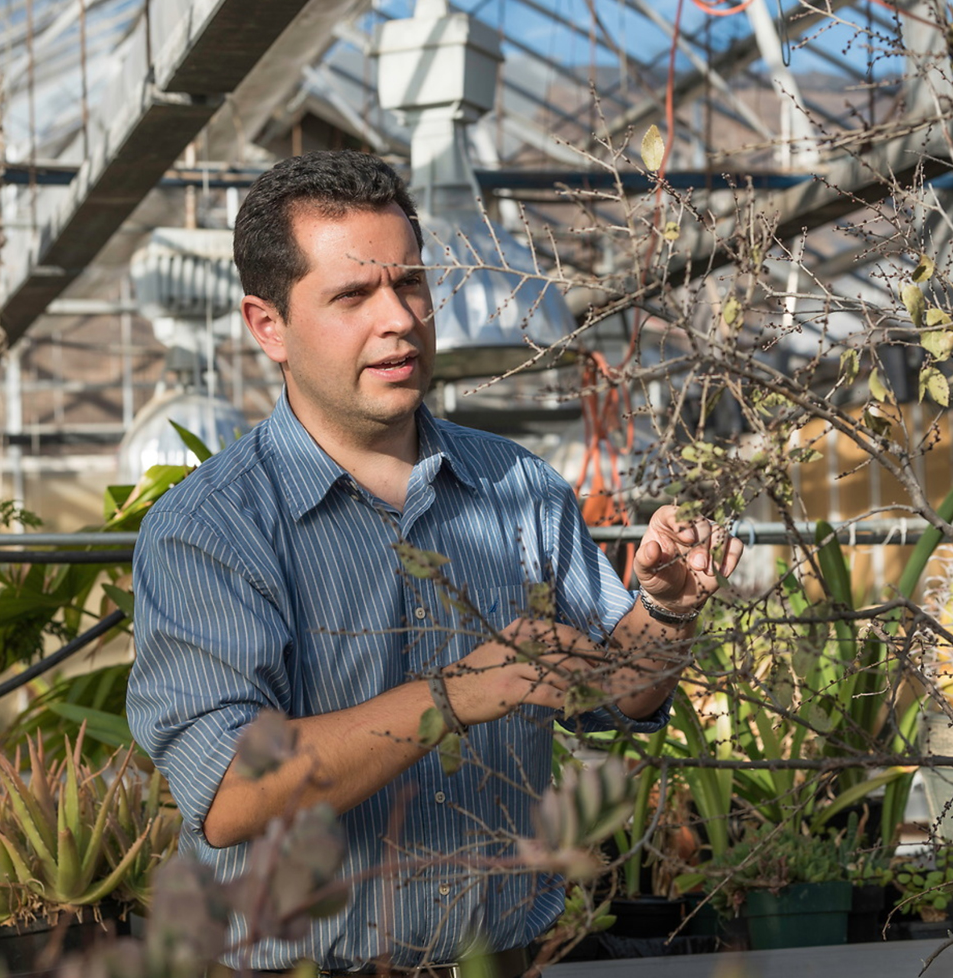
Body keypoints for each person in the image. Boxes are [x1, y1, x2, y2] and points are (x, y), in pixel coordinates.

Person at [126, 150, 744, 976]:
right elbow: (231, 792)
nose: (399, 318)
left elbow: (614, 695)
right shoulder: (209, 528)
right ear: (266, 324)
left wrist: (666, 607)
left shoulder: (517, 485)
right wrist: (453, 696)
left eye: (409, 284)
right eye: (352, 295)